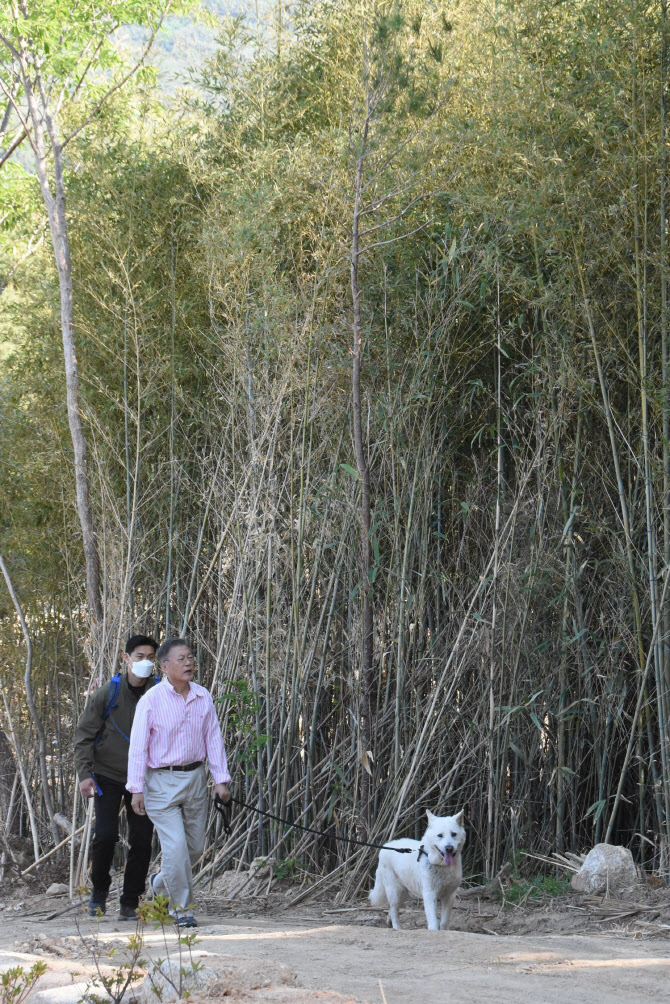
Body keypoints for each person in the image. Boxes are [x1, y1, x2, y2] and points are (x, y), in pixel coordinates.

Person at [126, 637, 231, 928]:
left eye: (190, 658)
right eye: (181, 659)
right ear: (164, 666)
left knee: (194, 848)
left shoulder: (202, 696)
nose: (188, 663)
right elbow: (138, 747)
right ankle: (182, 909)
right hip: (160, 782)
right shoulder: (151, 701)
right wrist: (136, 789)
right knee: (175, 850)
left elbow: (213, 739)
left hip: (195, 778)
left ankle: (159, 883)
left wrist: (220, 780)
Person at [74, 634, 159, 919]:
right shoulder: (107, 693)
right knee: (105, 836)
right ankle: (98, 895)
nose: (145, 663)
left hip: (145, 779)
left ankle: (130, 901)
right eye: (139, 657)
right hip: (108, 773)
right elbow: (84, 735)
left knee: (142, 839)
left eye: (150, 658)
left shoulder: (160, 692)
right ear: (126, 659)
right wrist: (85, 774)